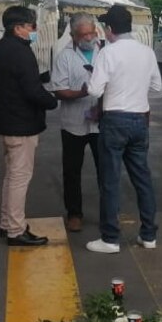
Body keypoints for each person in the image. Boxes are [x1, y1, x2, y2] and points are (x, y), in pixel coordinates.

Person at [84, 5, 162, 253]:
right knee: (142, 179)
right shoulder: (147, 52)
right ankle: (148, 235)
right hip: (140, 120)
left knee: (110, 180)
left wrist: (99, 81)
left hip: (114, 120)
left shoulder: (108, 53)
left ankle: (110, 239)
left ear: (109, 29)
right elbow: (157, 88)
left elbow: (94, 90)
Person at [0, 5, 58, 246]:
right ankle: (16, 230)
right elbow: (32, 90)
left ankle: (7, 224)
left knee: (11, 177)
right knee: (19, 178)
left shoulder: (2, 48)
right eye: (31, 26)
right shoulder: (21, 52)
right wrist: (52, 101)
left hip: (7, 121)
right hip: (22, 125)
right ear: (18, 28)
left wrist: (5, 96)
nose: (34, 30)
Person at [50, 13, 102, 233]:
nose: (89, 37)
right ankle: (74, 214)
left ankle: (109, 212)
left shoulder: (106, 52)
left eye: (92, 32)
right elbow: (58, 92)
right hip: (73, 124)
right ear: (73, 36)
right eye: (84, 34)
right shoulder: (65, 57)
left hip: (102, 123)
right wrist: (80, 93)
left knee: (106, 170)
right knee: (72, 171)